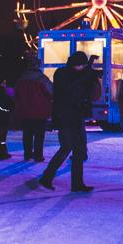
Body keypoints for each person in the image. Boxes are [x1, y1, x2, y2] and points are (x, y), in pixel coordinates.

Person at [37, 51, 97, 192]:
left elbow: (85, 90)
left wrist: (90, 72)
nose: (81, 68)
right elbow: (69, 88)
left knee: (79, 151)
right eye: (80, 65)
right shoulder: (62, 74)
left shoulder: (77, 75)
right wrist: (87, 72)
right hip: (64, 117)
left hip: (76, 116)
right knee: (66, 147)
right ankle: (46, 178)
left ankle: (77, 184)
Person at [14, 56, 54, 162]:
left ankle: (27, 154)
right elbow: (51, 92)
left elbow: (16, 95)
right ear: (38, 65)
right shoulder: (42, 79)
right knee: (39, 136)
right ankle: (38, 155)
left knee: (27, 135)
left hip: (25, 112)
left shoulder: (21, 79)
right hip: (40, 112)